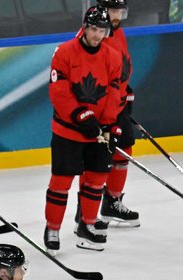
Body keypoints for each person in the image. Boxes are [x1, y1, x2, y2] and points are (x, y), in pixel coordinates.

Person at [43, 7, 124, 252]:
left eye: (102, 30)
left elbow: (114, 92)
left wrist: (110, 124)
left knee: (97, 180)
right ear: (85, 28)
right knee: (61, 181)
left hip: (97, 131)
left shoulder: (113, 57)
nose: (97, 35)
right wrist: (81, 115)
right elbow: (59, 91)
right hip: (68, 130)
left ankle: (86, 225)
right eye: (94, 29)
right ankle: (52, 228)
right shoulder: (64, 52)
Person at [96, 0, 140, 227]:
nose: (117, 16)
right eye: (114, 11)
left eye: (120, 12)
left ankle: (112, 201)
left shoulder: (118, 32)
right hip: (102, 108)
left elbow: (123, 67)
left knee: (125, 150)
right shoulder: (95, 35)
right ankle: (84, 214)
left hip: (118, 104)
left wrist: (126, 92)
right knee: (97, 159)